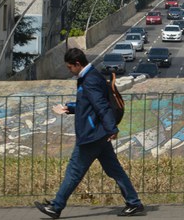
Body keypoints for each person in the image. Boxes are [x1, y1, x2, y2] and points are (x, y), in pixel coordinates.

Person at [34, 48, 143, 218]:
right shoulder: (90, 76)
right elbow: (88, 105)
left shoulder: (90, 80)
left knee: (74, 170)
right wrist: (69, 108)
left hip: (92, 135)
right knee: (115, 170)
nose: (69, 71)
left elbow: (102, 106)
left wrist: (112, 129)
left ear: (78, 64)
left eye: (70, 68)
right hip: (99, 134)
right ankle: (134, 202)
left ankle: (56, 207)